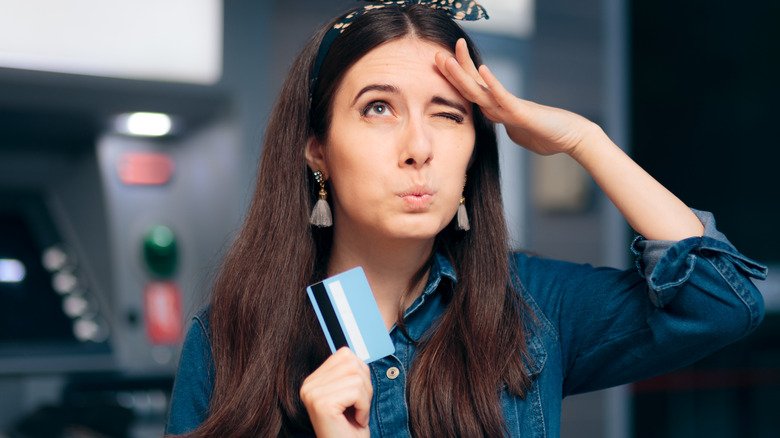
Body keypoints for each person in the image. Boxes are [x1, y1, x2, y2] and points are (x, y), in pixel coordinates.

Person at [165, 2, 768, 437]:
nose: (418, 146)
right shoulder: (232, 339)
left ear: (473, 149)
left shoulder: (533, 306)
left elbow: (720, 301)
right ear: (317, 147)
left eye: (449, 115)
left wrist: (586, 140)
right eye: (378, 108)